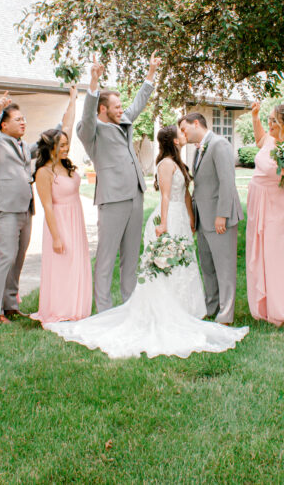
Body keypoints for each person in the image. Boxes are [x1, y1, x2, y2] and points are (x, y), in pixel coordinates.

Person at [45, 125, 247, 358]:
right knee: (167, 266)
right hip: (168, 218)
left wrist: (191, 218)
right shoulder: (166, 164)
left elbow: (185, 193)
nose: (184, 135)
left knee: (184, 264)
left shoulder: (179, 163)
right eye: (180, 133)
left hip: (181, 217)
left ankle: (189, 308)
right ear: (174, 140)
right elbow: (166, 196)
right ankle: (169, 310)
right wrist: (164, 223)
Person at [77, 54, 160, 311]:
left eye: (121, 105)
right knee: (106, 257)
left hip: (136, 195)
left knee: (131, 256)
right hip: (112, 198)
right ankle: (104, 310)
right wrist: (93, 83)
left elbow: (138, 104)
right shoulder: (90, 130)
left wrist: (150, 73)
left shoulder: (123, 120)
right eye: (116, 106)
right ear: (102, 109)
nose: (121, 109)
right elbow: (88, 115)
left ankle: (129, 305)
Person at [0, 91, 70, 323]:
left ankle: (10, 304)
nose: (23, 122)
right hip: (5, 209)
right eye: (18, 119)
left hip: (25, 209)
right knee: (6, 257)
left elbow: (41, 144)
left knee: (18, 259)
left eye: (24, 119)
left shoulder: (21, 146)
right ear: (3, 125)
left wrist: (61, 123)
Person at [244, 101, 284, 326]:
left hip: (276, 206)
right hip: (258, 203)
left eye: (273, 121)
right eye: (269, 119)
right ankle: (261, 306)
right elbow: (260, 140)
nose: (269, 124)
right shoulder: (271, 139)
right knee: (258, 253)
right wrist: (255, 117)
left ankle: (279, 309)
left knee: (273, 256)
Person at [32, 87, 92, 324]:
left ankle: (77, 307)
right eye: (62, 145)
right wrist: (56, 237)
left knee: (76, 263)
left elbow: (67, 123)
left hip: (75, 220)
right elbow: (47, 207)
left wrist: (73, 99)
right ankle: (61, 309)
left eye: (67, 144)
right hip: (59, 223)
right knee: (62, 264)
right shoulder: (44, 172)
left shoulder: (64, 164)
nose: (66, 148)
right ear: (50, 148)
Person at [178, 112, 244, 325]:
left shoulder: (219, 144)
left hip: (219, 217)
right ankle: (211, 306)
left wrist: (222, 215)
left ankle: (226, 313)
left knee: (224, 268)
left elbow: (227, 182)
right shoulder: (199, 149)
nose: (183, 134)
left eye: (184, 129)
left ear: (196, 123)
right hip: (203, 218)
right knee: (208, 267)